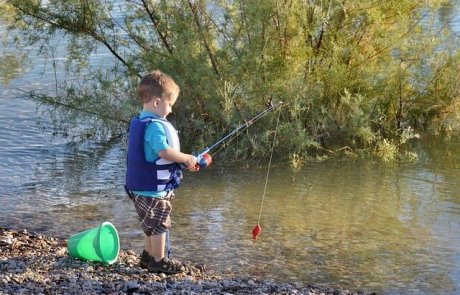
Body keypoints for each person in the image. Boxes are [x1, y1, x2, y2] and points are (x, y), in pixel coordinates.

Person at [125, 70, 198, 274]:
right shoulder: (156, 127)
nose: (171, 110)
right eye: (170, 104)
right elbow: (164, 152)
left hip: (140, 188)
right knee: (159, 225)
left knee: (150, 224)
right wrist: (186, 158)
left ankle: (148, 257)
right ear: (157, 102)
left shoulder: (141, 121)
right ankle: (159, 261)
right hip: (153, 190)